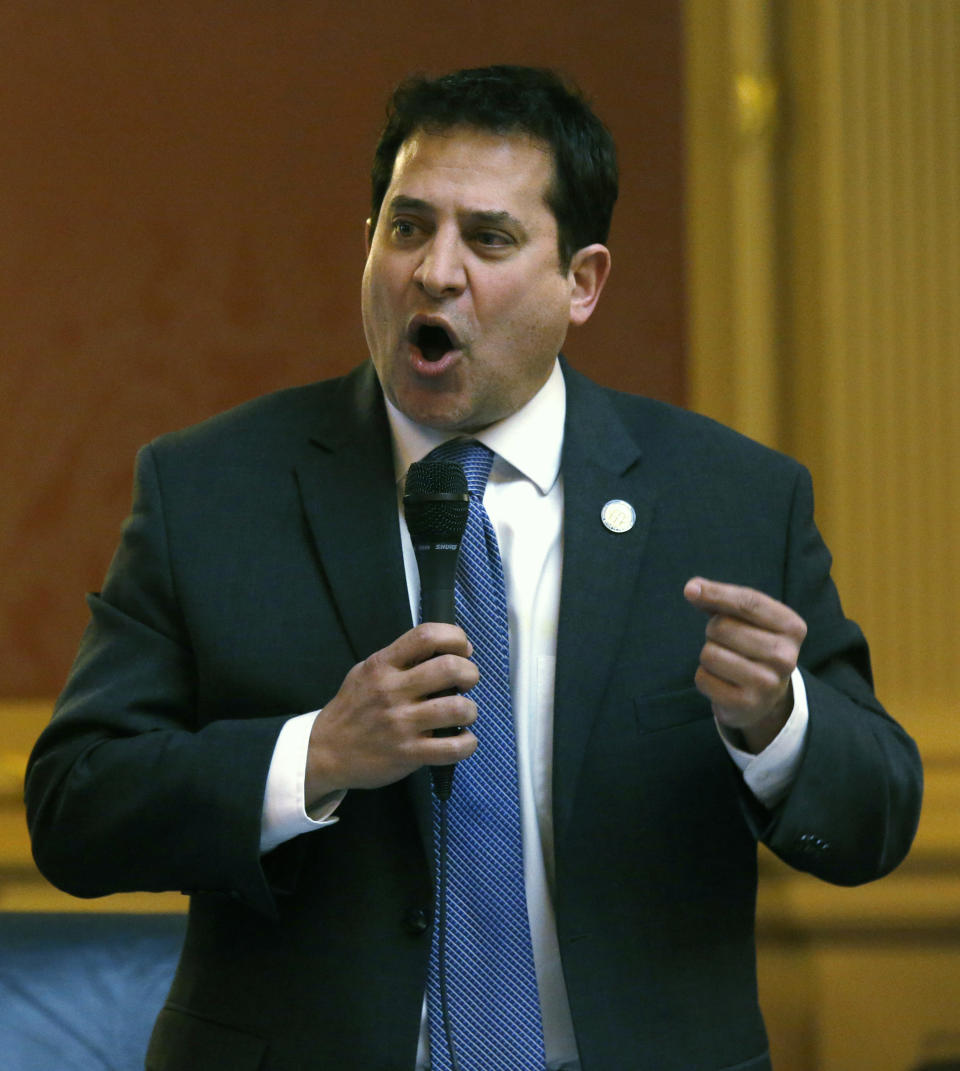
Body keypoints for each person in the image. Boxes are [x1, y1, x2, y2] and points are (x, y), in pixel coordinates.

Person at [25, 65, 922, 1071]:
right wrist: (315, 754)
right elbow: (77, 807)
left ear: (581, 282)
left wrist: (778, 724)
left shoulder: (731, 502)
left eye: (487, 238)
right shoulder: (213, 491)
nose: (434, 271)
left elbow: (877, 821)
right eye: (406, 228)